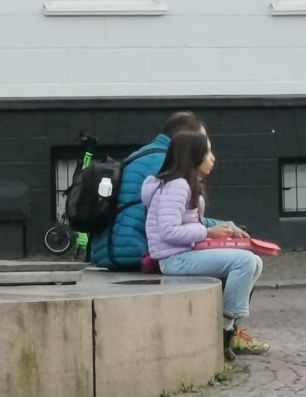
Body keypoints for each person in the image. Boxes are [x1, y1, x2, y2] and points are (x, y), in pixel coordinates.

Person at [142, 129, 268, 358]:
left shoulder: (182, 184)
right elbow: (168, 231)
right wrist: (207, 231)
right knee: (245, 261)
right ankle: (222, 331)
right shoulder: (178, 186)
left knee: (255, 262)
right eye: (207, 152)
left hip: (184, 253)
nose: (213, 158)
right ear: (193, 155)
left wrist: (217, 234)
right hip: (174, 259)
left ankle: (227, 326)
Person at [90, 112, 241, 269]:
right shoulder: (171, 167)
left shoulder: (139, 155)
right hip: (138, 251)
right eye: (203, 144)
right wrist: (215, 228)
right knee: (236, 261)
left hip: (106, 252)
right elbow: (175, 223)